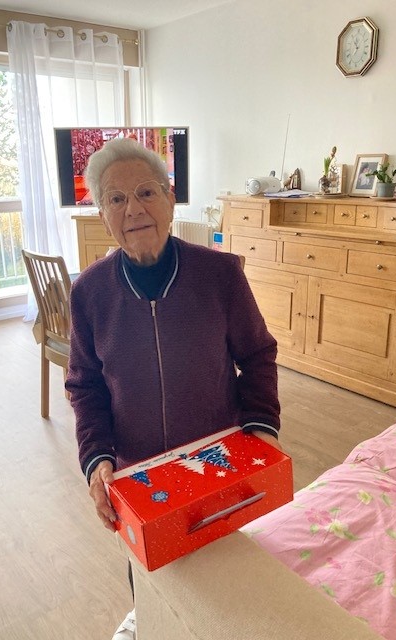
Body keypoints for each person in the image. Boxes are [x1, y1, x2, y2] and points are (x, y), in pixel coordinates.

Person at [65, 137, 281, 640]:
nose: (133, 209)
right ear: (103, 215)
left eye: (146, 192)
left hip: (218, 462)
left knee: (227, 576)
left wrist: (260, 429)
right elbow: (85, 385)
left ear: (169, 199)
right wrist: (97, 458)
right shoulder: (90, 292)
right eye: (116, 199)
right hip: (139, 475)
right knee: (153, 585)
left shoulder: (220, 274)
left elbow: (257, 355)